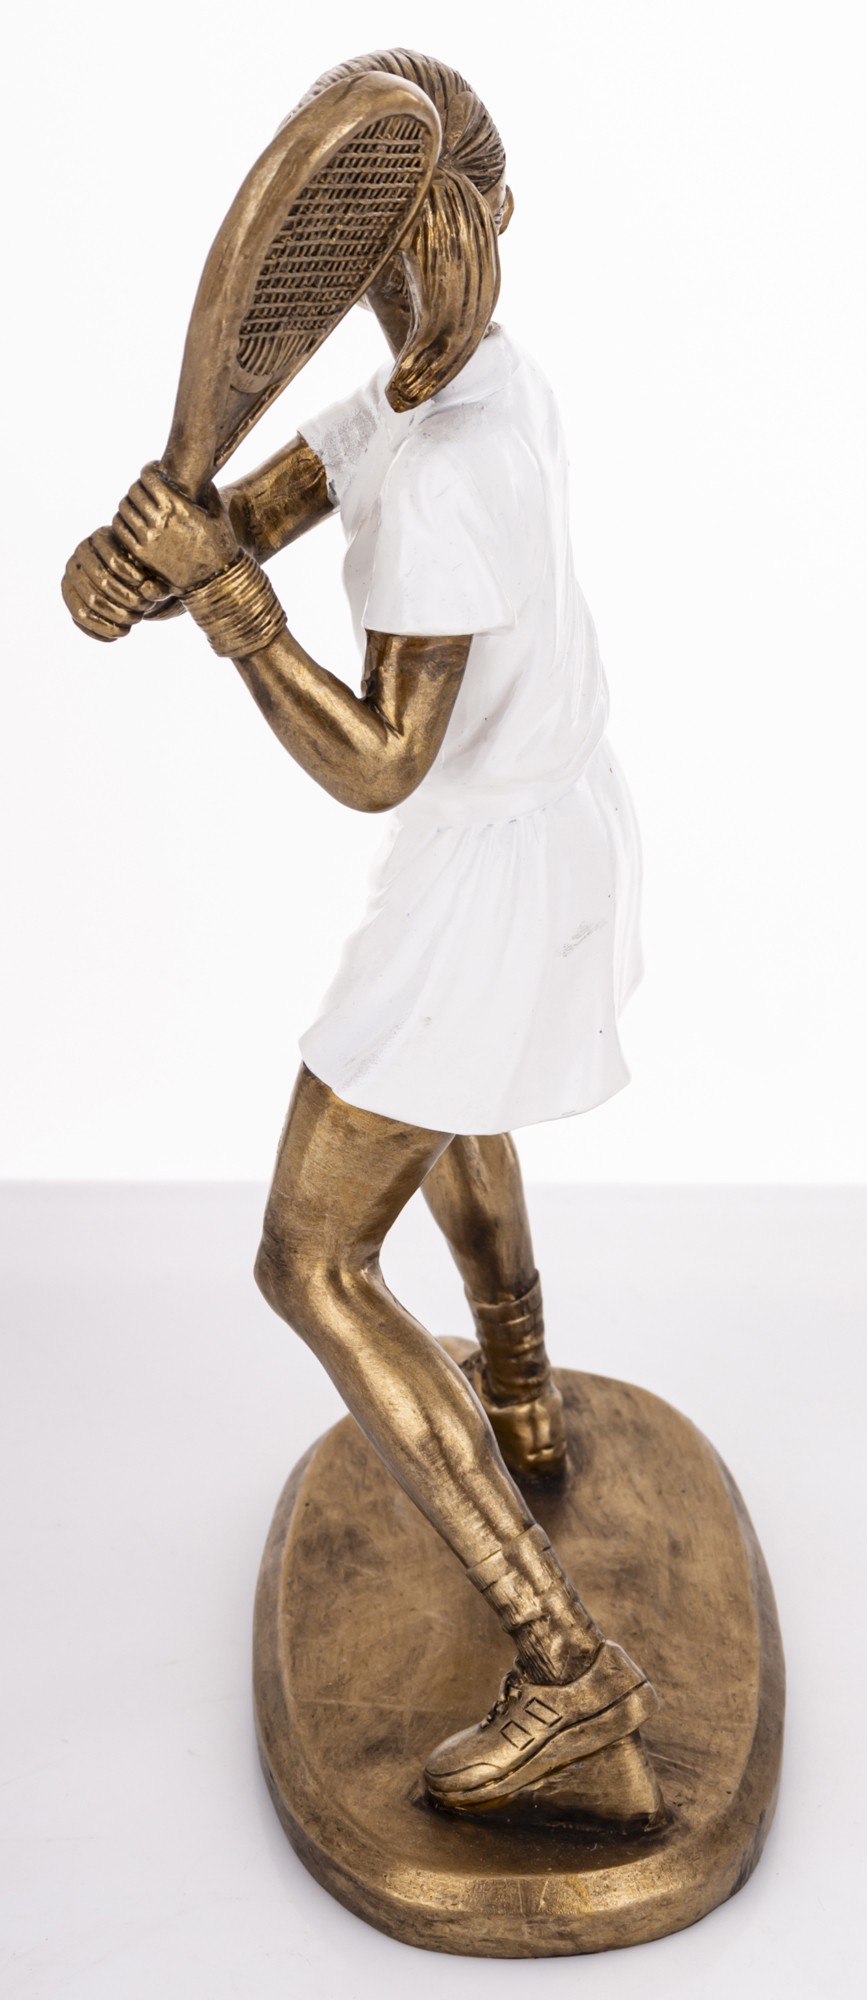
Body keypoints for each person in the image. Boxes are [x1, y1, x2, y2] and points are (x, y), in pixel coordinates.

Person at [62, 48, 662, 1827]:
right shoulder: (464, 383)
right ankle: (521, 1399)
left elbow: (382, 763)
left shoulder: (461, 456)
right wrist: (157, 551)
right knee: (453, 1102)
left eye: (372, 244)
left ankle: (568, 1673)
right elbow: (275, 496)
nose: (356, 282)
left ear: (422, 240)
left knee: (311, 1257)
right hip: (543, 835)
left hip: (486, 872)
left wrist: (225, 608)